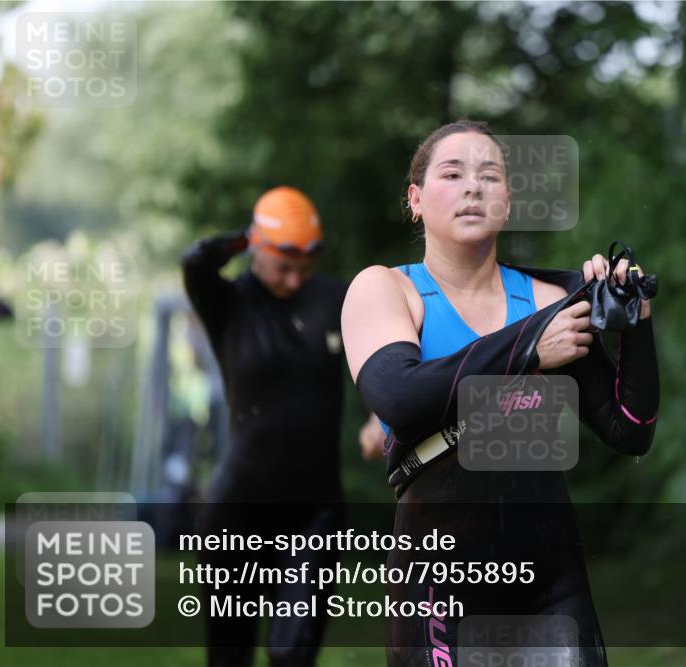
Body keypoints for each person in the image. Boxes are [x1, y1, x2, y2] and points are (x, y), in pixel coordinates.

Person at [341, 121, 660, 666]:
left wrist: (635, 323)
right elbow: (400, 396)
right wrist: (532, 344)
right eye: (452, 173)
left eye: (490, 176)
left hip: (550, 577)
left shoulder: (546, 298)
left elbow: (629, 428)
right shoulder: (386, 289)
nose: (472, 187)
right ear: (415, 200)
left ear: (508, 203)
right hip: (437, 577)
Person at [180, 186, 347, 667]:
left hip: (314, 513)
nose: (295, 280)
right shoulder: (227, 303)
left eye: (305, 267)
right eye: (283, 266)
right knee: (228, 656)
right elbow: (195, 262)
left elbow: (380, 360)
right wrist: (248, 236)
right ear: (258, 252)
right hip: (237, 513)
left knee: (289, 653)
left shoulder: (334, 298)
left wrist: (381, 419)